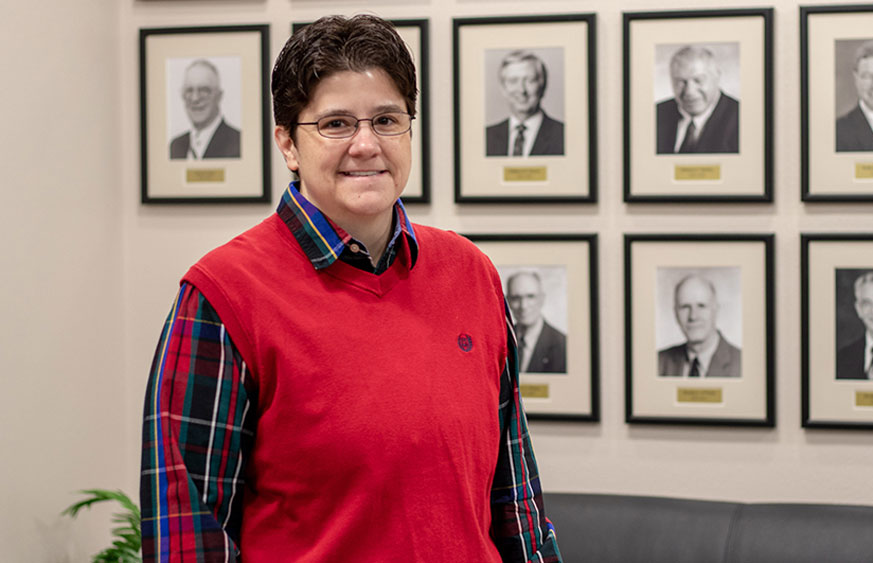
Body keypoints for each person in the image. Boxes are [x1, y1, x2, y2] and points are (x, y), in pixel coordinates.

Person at [141, 15, 561, 562]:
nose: (366, 145)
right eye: (336, 124)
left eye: (386, 119)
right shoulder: (223, 294)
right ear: (288, 144)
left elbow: (515, 498)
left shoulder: (471, 273)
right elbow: (186, 533)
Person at [655, 45, 739, 154]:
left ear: (717, 77)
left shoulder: (742, 119)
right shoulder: (655, 114)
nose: (689, 91)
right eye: (680, 82)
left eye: (698, 80)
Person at [658, 274, 741, 377]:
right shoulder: (658, 363)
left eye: (701, 306)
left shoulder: (742, 364)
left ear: (716, 310)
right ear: (675, 313)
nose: (693, 316)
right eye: (685, 307)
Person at [486, 50, 565, 157]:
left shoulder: (563, 136)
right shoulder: (486, 137)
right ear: (503, 88)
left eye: (530, 80)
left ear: (543, 86)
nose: (522, 90)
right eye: (513, 81)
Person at [169, 59, 241, 159]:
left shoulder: (239, 143)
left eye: (204, 90)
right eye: (189, 91)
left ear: (219, 96)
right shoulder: (175, 147)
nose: (195, 98)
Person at [506, 270, 567, 373]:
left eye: (530, 297)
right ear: (508, 301)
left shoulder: (563, 345)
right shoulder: (500, 341)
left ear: (542, 299)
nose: (523, 306)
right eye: (516, 298)